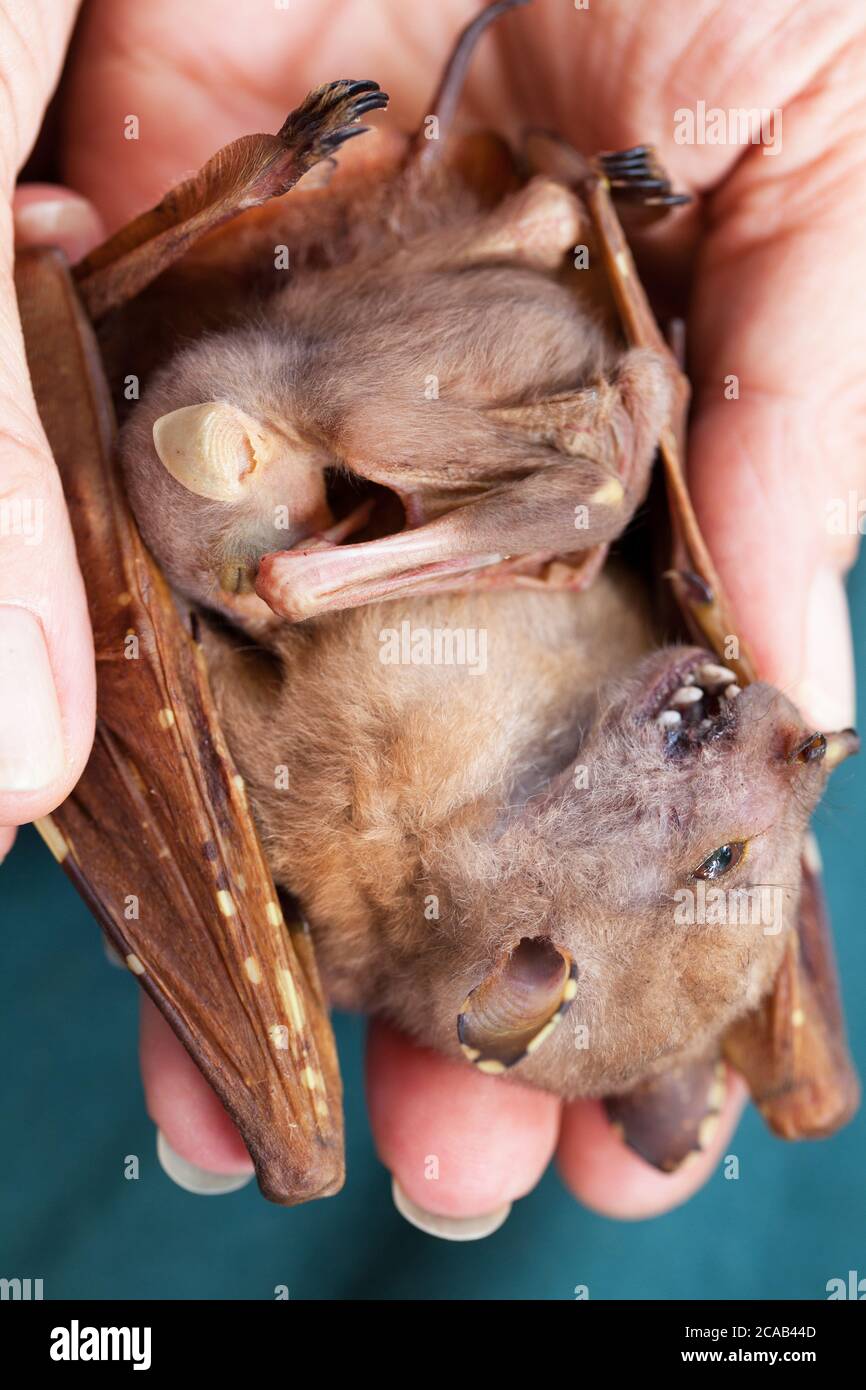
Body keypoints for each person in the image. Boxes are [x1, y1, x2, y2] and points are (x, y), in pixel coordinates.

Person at [1, 0, 862, 1237]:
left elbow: (169, 638)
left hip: (199, 375)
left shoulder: (340, 844)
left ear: (524, 971)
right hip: (423, 262)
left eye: (722, 856)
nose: (793, 753)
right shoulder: (623, 641)